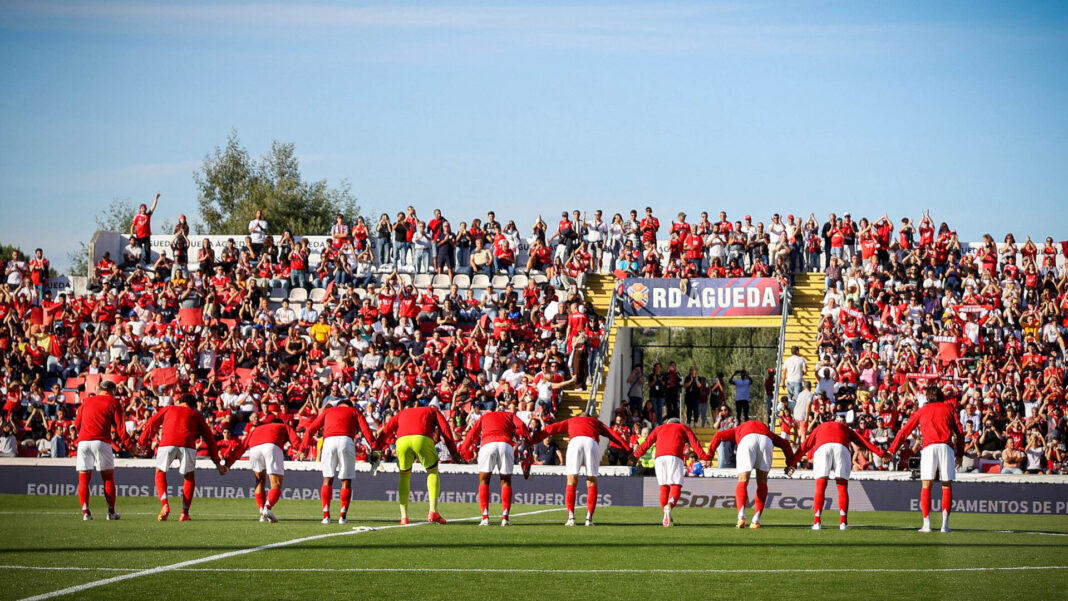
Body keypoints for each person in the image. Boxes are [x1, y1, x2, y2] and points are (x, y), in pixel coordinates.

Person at [886, 384, 965, 533]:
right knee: (946, 485)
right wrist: (960, 454)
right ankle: (945, 525)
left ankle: (927, 524)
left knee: (926, 485)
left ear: (928, 397)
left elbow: (904, 431)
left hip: (929, 448)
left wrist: (892, 450)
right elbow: (960, 433)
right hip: (946, 447)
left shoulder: (922, 410)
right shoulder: (950, 409)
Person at [137, 392, 227, 522]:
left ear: (180, 401)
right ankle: (184, 513)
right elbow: (210, 439)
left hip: (166, 443)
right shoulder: (196, 414)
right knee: (189, 477)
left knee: (160, 472)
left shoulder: (168, 408)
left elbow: (151, 423)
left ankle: (164, 505)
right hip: (187, 445)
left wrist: (141, 442)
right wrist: (217, 463)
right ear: (193, 405)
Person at [531, 412, 630, 526]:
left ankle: (571, 517)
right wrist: (628, 449)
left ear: (579, 417)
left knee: (571, 479)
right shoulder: (596, 422)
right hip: (591, 443)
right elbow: (613, 435)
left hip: (575, 442)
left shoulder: (572, 420)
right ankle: (589, 518)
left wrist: (534, 439)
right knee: (591, 479)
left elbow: (552, 428)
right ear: (589, 417)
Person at [792, 414, 887, 530]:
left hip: (823, 448)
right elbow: (863, 442)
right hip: (841, 448)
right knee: (842, 486)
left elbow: (804, 446)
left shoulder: (819, 428)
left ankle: (817, 522)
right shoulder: (845, 427)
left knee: (820, 486)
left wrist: (791, 463)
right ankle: (843, 523)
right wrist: (882, 453)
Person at [375, 403, 461, 525]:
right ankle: (433, 512)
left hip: (402, 440)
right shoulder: (433, 410)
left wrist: (376, 451)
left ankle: (404, 517)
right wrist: (453, 452)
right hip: (422, 438)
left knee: (404, 475)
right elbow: (445, 430)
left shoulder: (402, 413)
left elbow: (386, 431)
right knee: (432, 471)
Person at [707, 419, 796, 529]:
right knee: (762, 481)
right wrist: (790, 464)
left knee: (743, 480)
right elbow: (785, 444)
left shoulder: (738, 428)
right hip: (766, 440)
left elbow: (719, 435)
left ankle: (741, 517)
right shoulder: (767, 430)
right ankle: (756, 520)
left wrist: (708, 457)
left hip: (747, 440)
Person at [301, 398, 377, 524]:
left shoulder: (328, 411)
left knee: (327, 478)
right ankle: (342, 517)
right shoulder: (355, 411)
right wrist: (375, 446)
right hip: (346, 440)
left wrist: (303, 448)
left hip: (329, 441)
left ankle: (326, 516)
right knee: (346, 480)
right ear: (350, 405)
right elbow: (365, 430)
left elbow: (311, 429)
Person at [73, 380, 136, 521]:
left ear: (99, 389)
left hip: (83, 442)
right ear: (112, 391)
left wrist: (84, 435)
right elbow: (120, 429)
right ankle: (111, 512)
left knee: (83, 479)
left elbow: (77, 425)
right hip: (101, 441)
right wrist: (130, 446)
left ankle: (85, 513)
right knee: (107, 477)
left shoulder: (87, 401)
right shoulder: (114, 403)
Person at [632, 418, 710, 527]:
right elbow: (695, 443)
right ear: (678, 423)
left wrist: (636, 455)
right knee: (675, 486)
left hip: (659, 459)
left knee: (663, 488)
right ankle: (669, 505)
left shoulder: (659, 428)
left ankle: (666, 514)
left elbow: (647, 443)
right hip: (675, 456)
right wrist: (705, 458)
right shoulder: (683, 427)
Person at [460, 409, 532, 526]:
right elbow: (522, 425)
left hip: (488, 445)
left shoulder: (485, 416)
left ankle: (485, 517)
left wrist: (463, 450)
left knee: (484, 480)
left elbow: (472, 433)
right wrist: (530, 441)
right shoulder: (510, 415)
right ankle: (505, 518)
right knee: (506, 481)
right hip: (505, 444)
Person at [226, 411, 300, 523]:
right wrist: (300, 449)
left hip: (254, 449)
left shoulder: (256, 429)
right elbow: (295, 439)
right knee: (276, 484)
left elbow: (241, 446)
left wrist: (228, 464)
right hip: (271, 446)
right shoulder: (283, 426)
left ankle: (262, 514)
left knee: (260, 480)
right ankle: (267, 508)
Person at [130, 192, 160, 266]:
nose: (143, 209)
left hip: (146, 236)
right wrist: (131, 235)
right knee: (138, 251)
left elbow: (153, 207)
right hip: (139, 237)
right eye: (142, 208)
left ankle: (148, 263)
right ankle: (138, 263)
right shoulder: (137, 216)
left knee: (147, 250)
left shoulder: (148, 215)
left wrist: (156, 198)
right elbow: (133, 226)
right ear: (140, 209)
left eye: (145, 208)